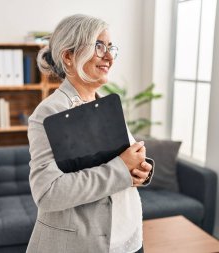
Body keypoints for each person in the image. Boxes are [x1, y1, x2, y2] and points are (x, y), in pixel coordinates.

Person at [26, 14, 154, 253]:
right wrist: (122, 168)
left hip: (129, 240)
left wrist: (139, 171)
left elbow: (120, 165)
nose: (109, 57)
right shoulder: (50, 112)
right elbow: (48, 193)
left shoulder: (105, 104)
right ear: (68, 56)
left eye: (110, 48)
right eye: (98, 46)